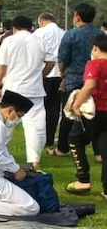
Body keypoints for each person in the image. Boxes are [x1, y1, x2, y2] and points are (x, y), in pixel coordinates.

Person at [0, 16, 51, 167]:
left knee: (6, 123)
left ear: (13, 28)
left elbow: (2, 67)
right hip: (34, 89)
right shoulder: (39, 41)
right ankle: (34, 159)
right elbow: (51, 62)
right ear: (31, 27)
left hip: (13, 88)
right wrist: (40, 75)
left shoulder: (10, 41)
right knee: (36, 125)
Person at [53, 4, 102, 158]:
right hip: (95, 78)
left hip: (73, 78)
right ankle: (99, 152)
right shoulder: (100, 35)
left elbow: (63, 59)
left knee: (68, 113)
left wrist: (62, 74)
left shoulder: (71, 35)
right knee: (95, 114)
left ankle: (62, 148)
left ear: (77, 17)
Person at [65, 33, 107, 198]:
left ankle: (83, 180)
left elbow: (89, 86)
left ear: (95, 48)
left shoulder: (94, 64)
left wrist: (76, 103)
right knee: (105, 150)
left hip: (94, 112)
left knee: (75, 140)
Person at [33, 13, 65, 150]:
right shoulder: (63, 33)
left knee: (41, 107)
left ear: (41, 21)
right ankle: (50, 139)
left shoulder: (40, 33)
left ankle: (39, 138)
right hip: (60, 73)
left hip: (45, 72)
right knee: (54, 108)